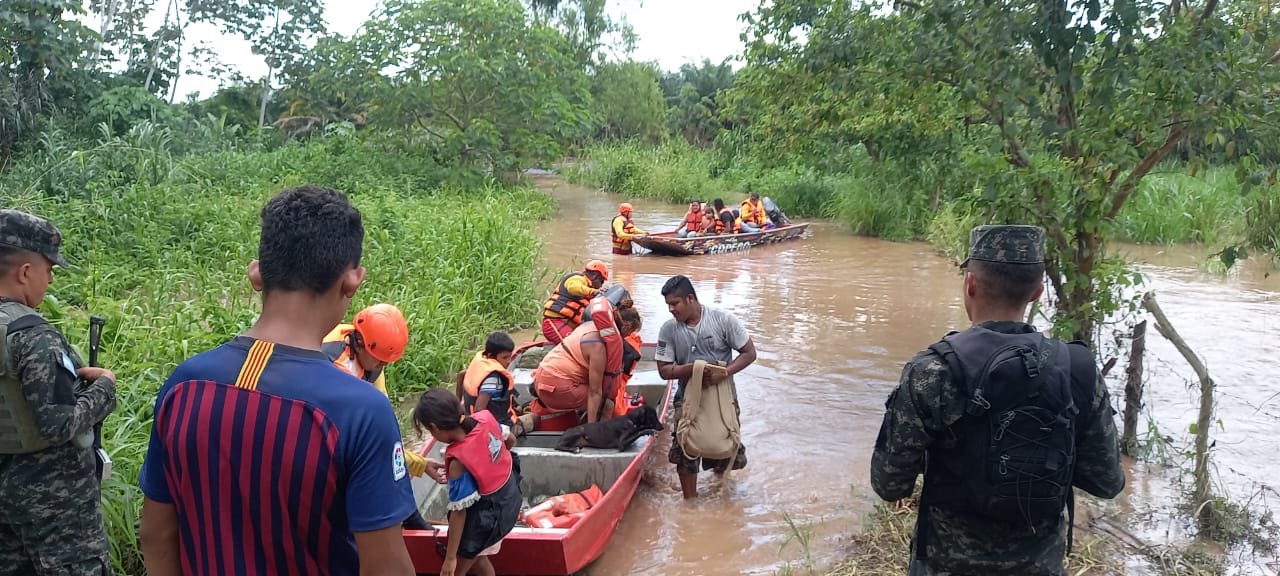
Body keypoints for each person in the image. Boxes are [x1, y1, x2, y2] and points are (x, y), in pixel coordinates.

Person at [138, 186, 417, 576]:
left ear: (256, 274)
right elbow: (386, 568)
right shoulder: (360, 411)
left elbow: (156, 535)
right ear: (352, 282)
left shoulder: (184, 385)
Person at [869, 225, 1125, 576]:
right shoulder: (1078, 369)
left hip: (945, 566)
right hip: (1039, 567)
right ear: (1037, 291)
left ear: (970, 284)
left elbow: (888, 483)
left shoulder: (933, 370)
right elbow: (1107, 482)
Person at [0, 210, 117, 575]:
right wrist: (105, 387)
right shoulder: (34, 336)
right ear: (25, 272)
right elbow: (58, 424)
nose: (50, 280)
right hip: (55, 505)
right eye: (49, 269)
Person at [322, 302, 435, 529]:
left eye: (385, 362)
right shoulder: (332, 367)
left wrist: (420, 464)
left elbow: (384, 426)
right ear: (359, 343)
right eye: (380, 360)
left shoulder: (370, 355)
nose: (382, 366)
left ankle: (409, 515)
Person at [655, 275, 756, 499]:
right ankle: (690, 505)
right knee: (685, 454)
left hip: (722, 397)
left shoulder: (723, 320)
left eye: (675, 303)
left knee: (723, 449)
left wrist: (725, 372)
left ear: (690, 298)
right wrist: (692, 369)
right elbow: (664, 371)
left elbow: (749, 353)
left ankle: (720, 496)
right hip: (686, 397)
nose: (671, 309)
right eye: (668, 305)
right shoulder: (668, 330)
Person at [413, 389, 521, 576]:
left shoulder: (458, 462)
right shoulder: (485, 418)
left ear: (434, 428)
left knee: (456, 571)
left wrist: (450, 558)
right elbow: (510, 439)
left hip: (489, 520)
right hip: (510, 499)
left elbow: (459, 513)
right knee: (479, 558)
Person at [531, 300, 643, 423]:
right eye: (630, 332)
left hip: (541, 379)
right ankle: (593, 434)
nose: (628, 336)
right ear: (625, 328)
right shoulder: (598, 346)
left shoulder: (589, 325)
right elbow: (595, 392)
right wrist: (591, 427)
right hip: (556, 387)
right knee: (607, 405)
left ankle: (583, 427)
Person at [459, 332, 518, 432]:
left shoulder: (481, 362)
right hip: (493, 428)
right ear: (491, 356)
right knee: (534, 417)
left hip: (470, 416)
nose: (509, 361)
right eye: (504, 357)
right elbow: (479, 410)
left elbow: (461, 375)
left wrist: (458, 405)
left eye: (510, 356)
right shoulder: (493, 378)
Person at [540, 260, 608, 344]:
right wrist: (593, 291)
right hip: (554, 322)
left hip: (568, 324)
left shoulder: (588, 289)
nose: (601, 285)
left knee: (586, 344)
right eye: (601, 281)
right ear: (595, 276)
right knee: (573, 345)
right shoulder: (578, 279)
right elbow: (573, 288)